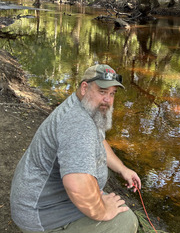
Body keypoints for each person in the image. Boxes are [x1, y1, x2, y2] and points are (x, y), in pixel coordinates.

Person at [10, 64, 141, 233]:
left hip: (46, 200)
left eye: (112, 93)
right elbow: (76, 185)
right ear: (85, 87)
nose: (108, 100)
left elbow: (99, 142)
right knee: (125, 221)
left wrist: (123, 169)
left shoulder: (86, 107)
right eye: (102, 91)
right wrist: (103, 211)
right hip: (41, 213)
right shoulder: (78, 124)